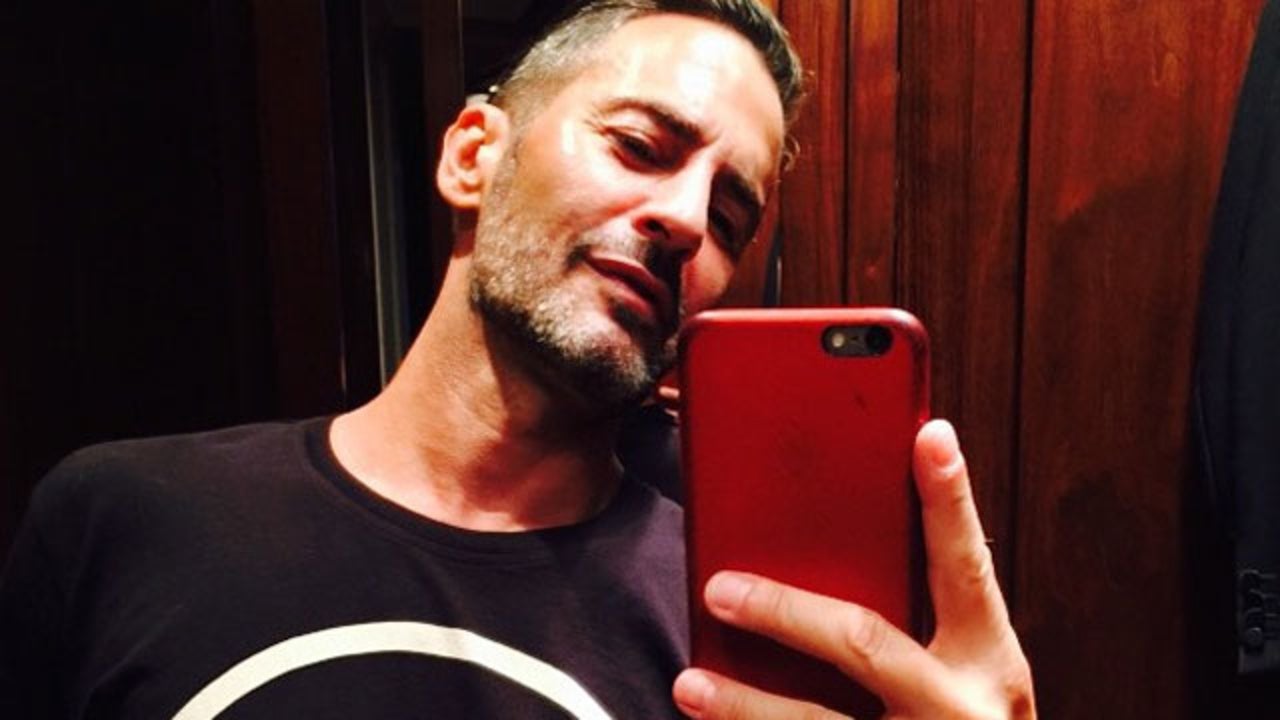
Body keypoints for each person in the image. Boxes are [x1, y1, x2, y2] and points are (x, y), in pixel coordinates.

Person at [0, 1, 1035, 717]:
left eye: (728, 217)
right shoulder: (121, 519)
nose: (683, 219)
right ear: (471, 155)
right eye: (640, 146)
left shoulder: (736, 628)